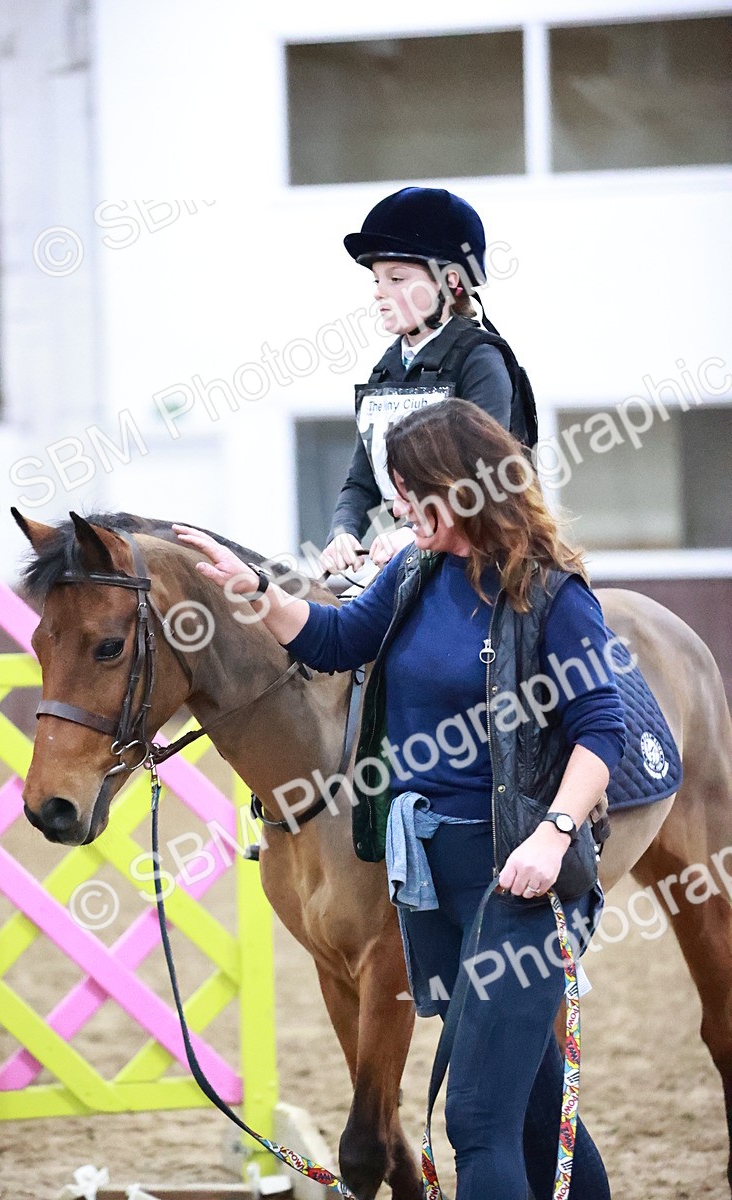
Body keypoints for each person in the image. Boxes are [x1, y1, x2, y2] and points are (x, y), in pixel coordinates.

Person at [173, 400, 624, 1200]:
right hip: (430, 884)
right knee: (534, 1104)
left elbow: (602, 733)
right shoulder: (416, 573)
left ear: (467, 488)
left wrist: (553, 836)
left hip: (516, 879)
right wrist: (254, 592)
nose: (401, 509)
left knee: (478, 1119)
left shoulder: (553, 596)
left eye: (415, 492)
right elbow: (334, 639)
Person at [323, 185, 535, 573]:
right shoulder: (387, 368)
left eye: (397, 279)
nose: (379, 294)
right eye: (376, 281)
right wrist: (343, 532)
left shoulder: (480, 360)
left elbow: (482, 476)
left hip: (482, 558)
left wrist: (409, 531)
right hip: (415, 557)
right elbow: (362, 480)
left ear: (451, 282)